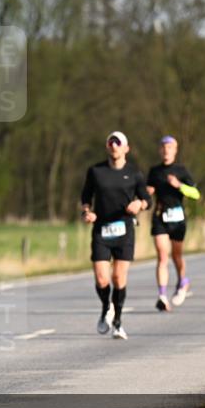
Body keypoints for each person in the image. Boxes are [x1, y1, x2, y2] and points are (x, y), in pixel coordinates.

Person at [80, 131, 152, 340]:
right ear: (107, 147)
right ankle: (106, 306)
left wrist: (140, 203)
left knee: (118, 277)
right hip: (101, 228)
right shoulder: (96, 171)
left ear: (126, 148)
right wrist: (87, 212)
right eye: (111, 143)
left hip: (124, 229)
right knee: (102, 278)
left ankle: (118, 322)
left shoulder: (134, 173)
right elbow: (86, 196)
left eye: (118, 143)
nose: (114, 146)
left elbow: (147, 199)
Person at [147, 135, 201, 310]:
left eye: (169, 147)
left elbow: (196, 194)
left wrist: (179, 186)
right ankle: (162, 295)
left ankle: (182, 280)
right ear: (159, 150)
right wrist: (148, 192)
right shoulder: (154, 171)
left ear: (175, 150)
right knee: (162, 255)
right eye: (163, 147)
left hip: (177, 218)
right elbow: (147, 192)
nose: (166, 151)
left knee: (176, 255)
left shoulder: (181, 170)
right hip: (159, 216)